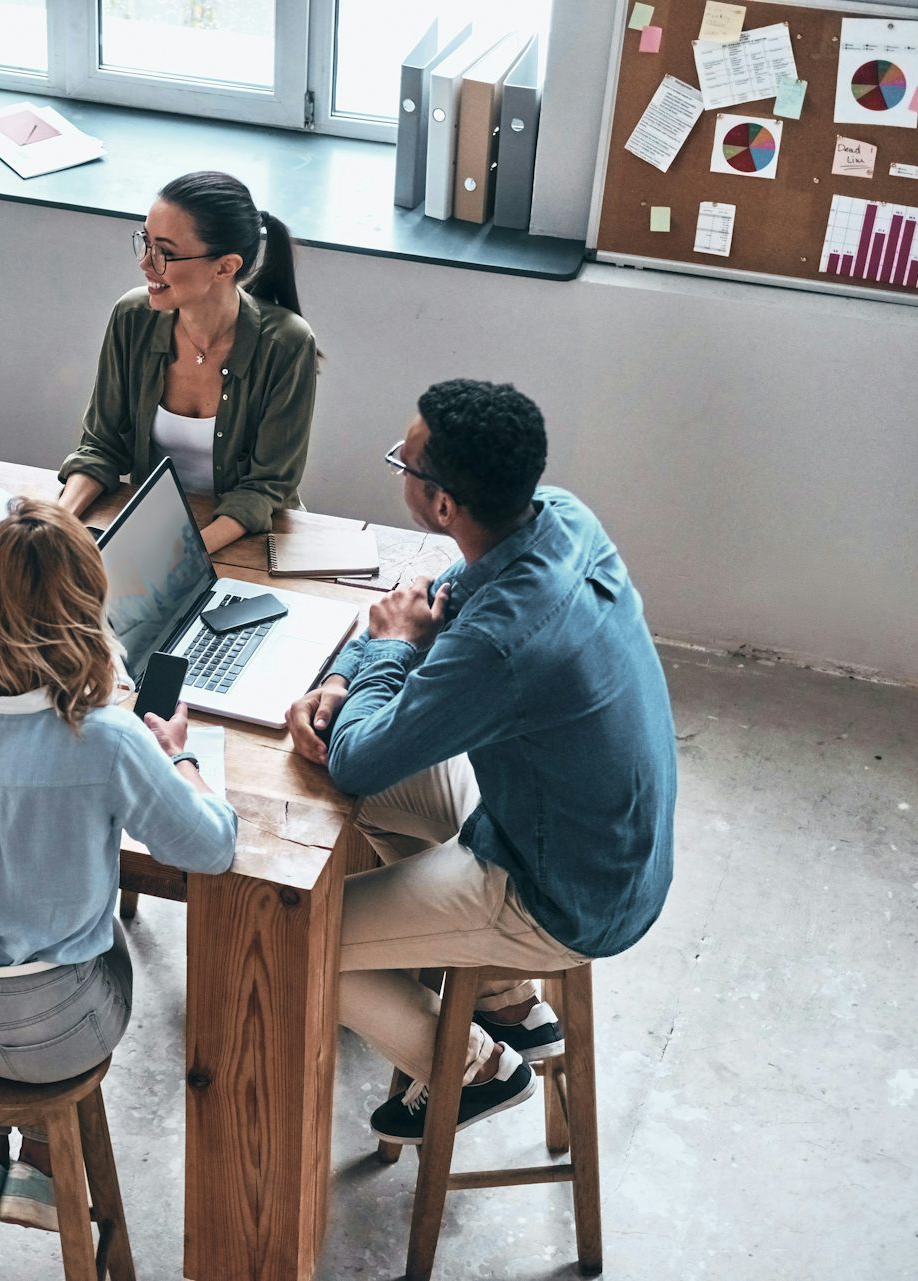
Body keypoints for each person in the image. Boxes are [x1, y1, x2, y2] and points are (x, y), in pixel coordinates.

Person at [287, 379, 675, 1144]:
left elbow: (361, 757)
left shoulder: (501, 640)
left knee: (295, 935)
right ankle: (500, 991)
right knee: (380, 779)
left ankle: (475, 1066)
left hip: (560, 894)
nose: (398, 466)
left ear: (440, 506)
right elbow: (425, 608)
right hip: (591, 839)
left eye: (404, 460)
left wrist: (389, 651)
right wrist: (342, 676)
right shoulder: (558, 516)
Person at [0, 498, 237, 1232]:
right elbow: (211, 848)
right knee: (105, 941)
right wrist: (181, 758)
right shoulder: (107, 740)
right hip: (53, 1032)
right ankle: (40, 1152)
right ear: (89, 608)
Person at [58, 171, 316, 554]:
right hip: (151, 529)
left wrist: (178, 556)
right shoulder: (133, 317)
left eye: (166, 252)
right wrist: (56, 522)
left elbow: (265, 489)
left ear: (225, 267)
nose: (146, 264)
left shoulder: (287, 344)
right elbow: (101, 447)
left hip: (248, 544)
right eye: (145, 242)